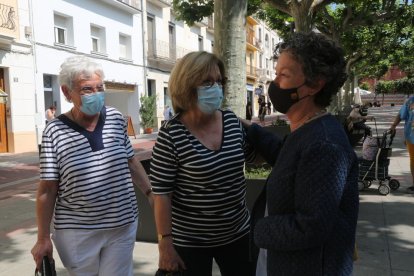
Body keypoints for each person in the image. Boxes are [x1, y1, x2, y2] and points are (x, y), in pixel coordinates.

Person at [242, 32, 359, 275]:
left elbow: (311, 226)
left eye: (283, 75)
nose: (274, 84)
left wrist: (257, 229)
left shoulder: (324, 144)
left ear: (315, 85)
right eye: (276, 74)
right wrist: (252, 130)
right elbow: (289, 160)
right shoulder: (307, 130)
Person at [31, 56, 153, 275]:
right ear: (67, 92)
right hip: (78, 232)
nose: (96, 94)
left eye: (100, 88)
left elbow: (130, 161)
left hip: (122, 224)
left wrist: (151, 194)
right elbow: (48, 189)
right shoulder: (55, 131)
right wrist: (42, 238)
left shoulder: (116, 118)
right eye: (87, 89)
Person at [150, 51, 255, 275]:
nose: (216, 88)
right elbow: (162, 194)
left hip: (238, 234)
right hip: (190, 242)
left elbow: (252, 157)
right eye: (207, 82)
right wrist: (165, 245)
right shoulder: (171, 135)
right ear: (187, 86)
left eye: (219, 81)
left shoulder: (231, 121)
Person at [390, 96, 414, 193]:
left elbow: (401, 115)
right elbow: (401, 114)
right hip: (411, 137)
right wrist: (393, 126)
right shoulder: (411, 100)